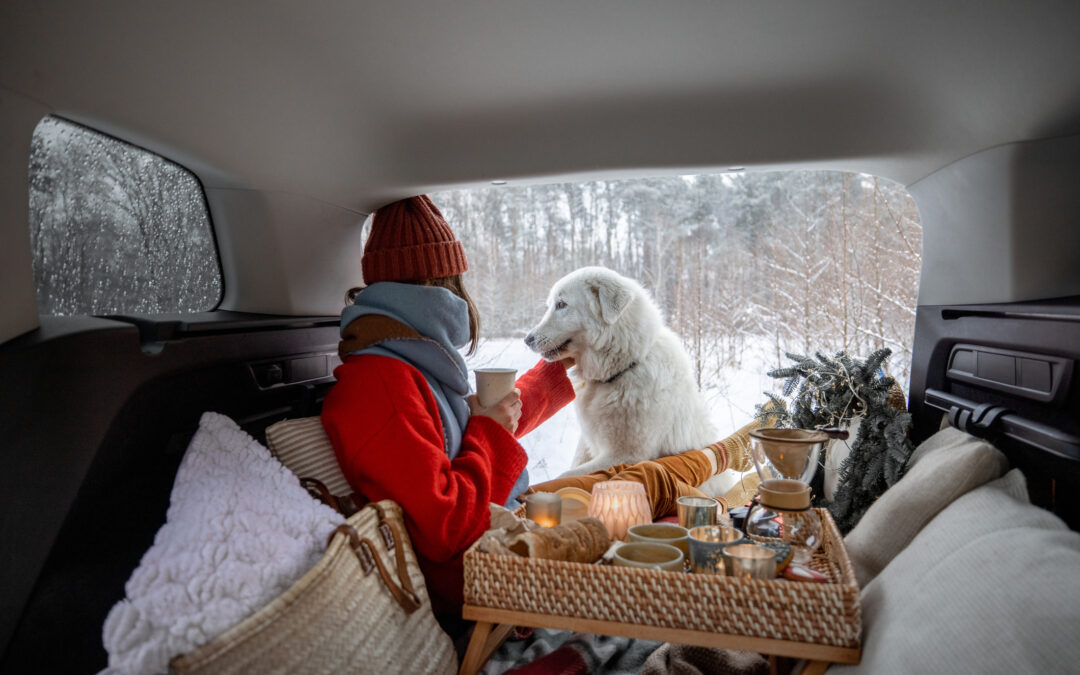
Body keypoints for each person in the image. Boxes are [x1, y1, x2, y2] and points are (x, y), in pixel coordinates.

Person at [320, 195, 576, 625]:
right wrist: (487, 431)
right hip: (474, 591)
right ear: (443, 285)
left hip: (496, 550)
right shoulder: (380, 385)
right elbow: (447, 527)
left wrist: (553, 374)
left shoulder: (412, 361)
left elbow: (470, 435)